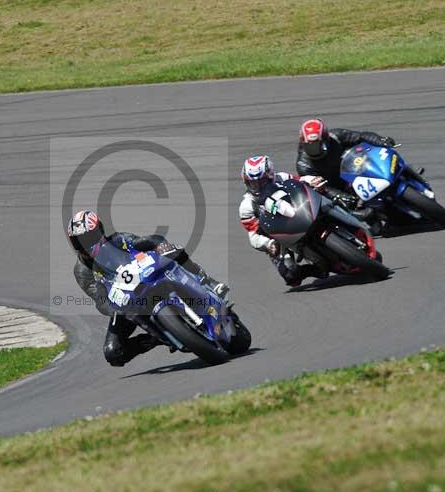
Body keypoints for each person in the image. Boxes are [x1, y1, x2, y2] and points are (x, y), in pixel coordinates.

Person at [67, 210, 228, 367]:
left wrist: (160, 245)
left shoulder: (119, 239)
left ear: (100, 231)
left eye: (88, 238)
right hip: (125, 302)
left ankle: (206, 280)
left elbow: (147, 241)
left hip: (148, 276)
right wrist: (114, 307)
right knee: (113, 352)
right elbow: (100, 299)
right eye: (79, 241)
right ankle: (156, 338)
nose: (85, 244)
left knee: (174, 250)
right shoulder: (82, 271)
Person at [295, 119, 428, 229]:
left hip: (356, 168)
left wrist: (380, 140)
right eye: (310, 147)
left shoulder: (336, 136)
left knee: (386, 159)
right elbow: (319, 189)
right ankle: (377, 219)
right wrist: (339, 195)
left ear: (326, 138)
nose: (315, 151)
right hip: (337, 187)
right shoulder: (303, 164)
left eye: (319, 145)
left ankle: (408, 174)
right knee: (371, 221)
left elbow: (360, 136)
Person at [239, 155, 329, 287]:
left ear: (270, 176)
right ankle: (319, 269)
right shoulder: (247, 205)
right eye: (253, 183)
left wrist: (312, 180)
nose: (258, 186)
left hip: (300, 210)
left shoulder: (281, 178)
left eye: (262, 181)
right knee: (291, 277)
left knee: (324, 193)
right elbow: (253, 234)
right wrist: (268, 244)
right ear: (246, 182)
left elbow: (300, 181)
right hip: (279, 237)